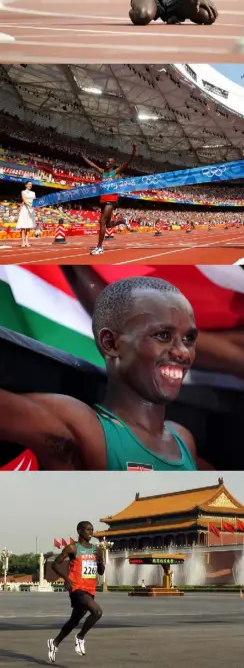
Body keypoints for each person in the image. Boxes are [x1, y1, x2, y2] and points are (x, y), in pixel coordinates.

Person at [0, 276, 204, 470]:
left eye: (189, 338)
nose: (183, 352)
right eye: (163, 335)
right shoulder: (84, 426)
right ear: (111, 343)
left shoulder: (183, 439)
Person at [47, 522, 105, 663]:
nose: (91, 532)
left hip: (90, 589)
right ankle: (80, 637)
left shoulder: (95, 550)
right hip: (77, 588)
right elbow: (55, 564)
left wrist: (101, 560)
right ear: (79, 531)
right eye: (88, 529)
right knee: (97, 612)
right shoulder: (73, 548)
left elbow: (101, 572)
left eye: (92, 530)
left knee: (74, 620)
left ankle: (54, 643)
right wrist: (66, 578)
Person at [81, 145, 137, 256]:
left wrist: (134, 152)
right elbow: (92, 165)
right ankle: (122, 221)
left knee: (102, 221)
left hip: (111, 200)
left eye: (109, 162)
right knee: (108, 224)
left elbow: (127, 163)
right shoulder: (103, 172)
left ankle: (99, 247)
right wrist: (83, 157)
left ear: (113, 164)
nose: (106, 163)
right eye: (106, 161)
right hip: (103, 200)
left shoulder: (115, 172)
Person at [16, 180, 35, 247]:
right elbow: (24, 200)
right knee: (23, 227)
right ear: (26, 185)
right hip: (25, 209)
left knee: (28, 226)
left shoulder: (33, 193)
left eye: (31, 184)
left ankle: (27, 241)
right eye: (29, 184)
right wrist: (30, 204)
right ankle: (23, 242)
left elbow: (35, 200)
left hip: (31, 210)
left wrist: (34, 205)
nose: (30, 185)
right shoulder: (23, 192)